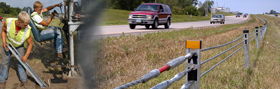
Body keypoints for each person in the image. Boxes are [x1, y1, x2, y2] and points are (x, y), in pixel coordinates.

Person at [0, 11, 33, 89]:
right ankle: (2, 80)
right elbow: (3, 31)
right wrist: (4, 42)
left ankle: (24, 79)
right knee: (5, 63)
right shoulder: (8, 22)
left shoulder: (27, 29)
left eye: (28, 24)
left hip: (19, 46)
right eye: (25, 25)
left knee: (22, 63)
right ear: (19, 22)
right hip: (8, 45)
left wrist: (26, 56)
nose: (27, 26)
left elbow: (30, 44)